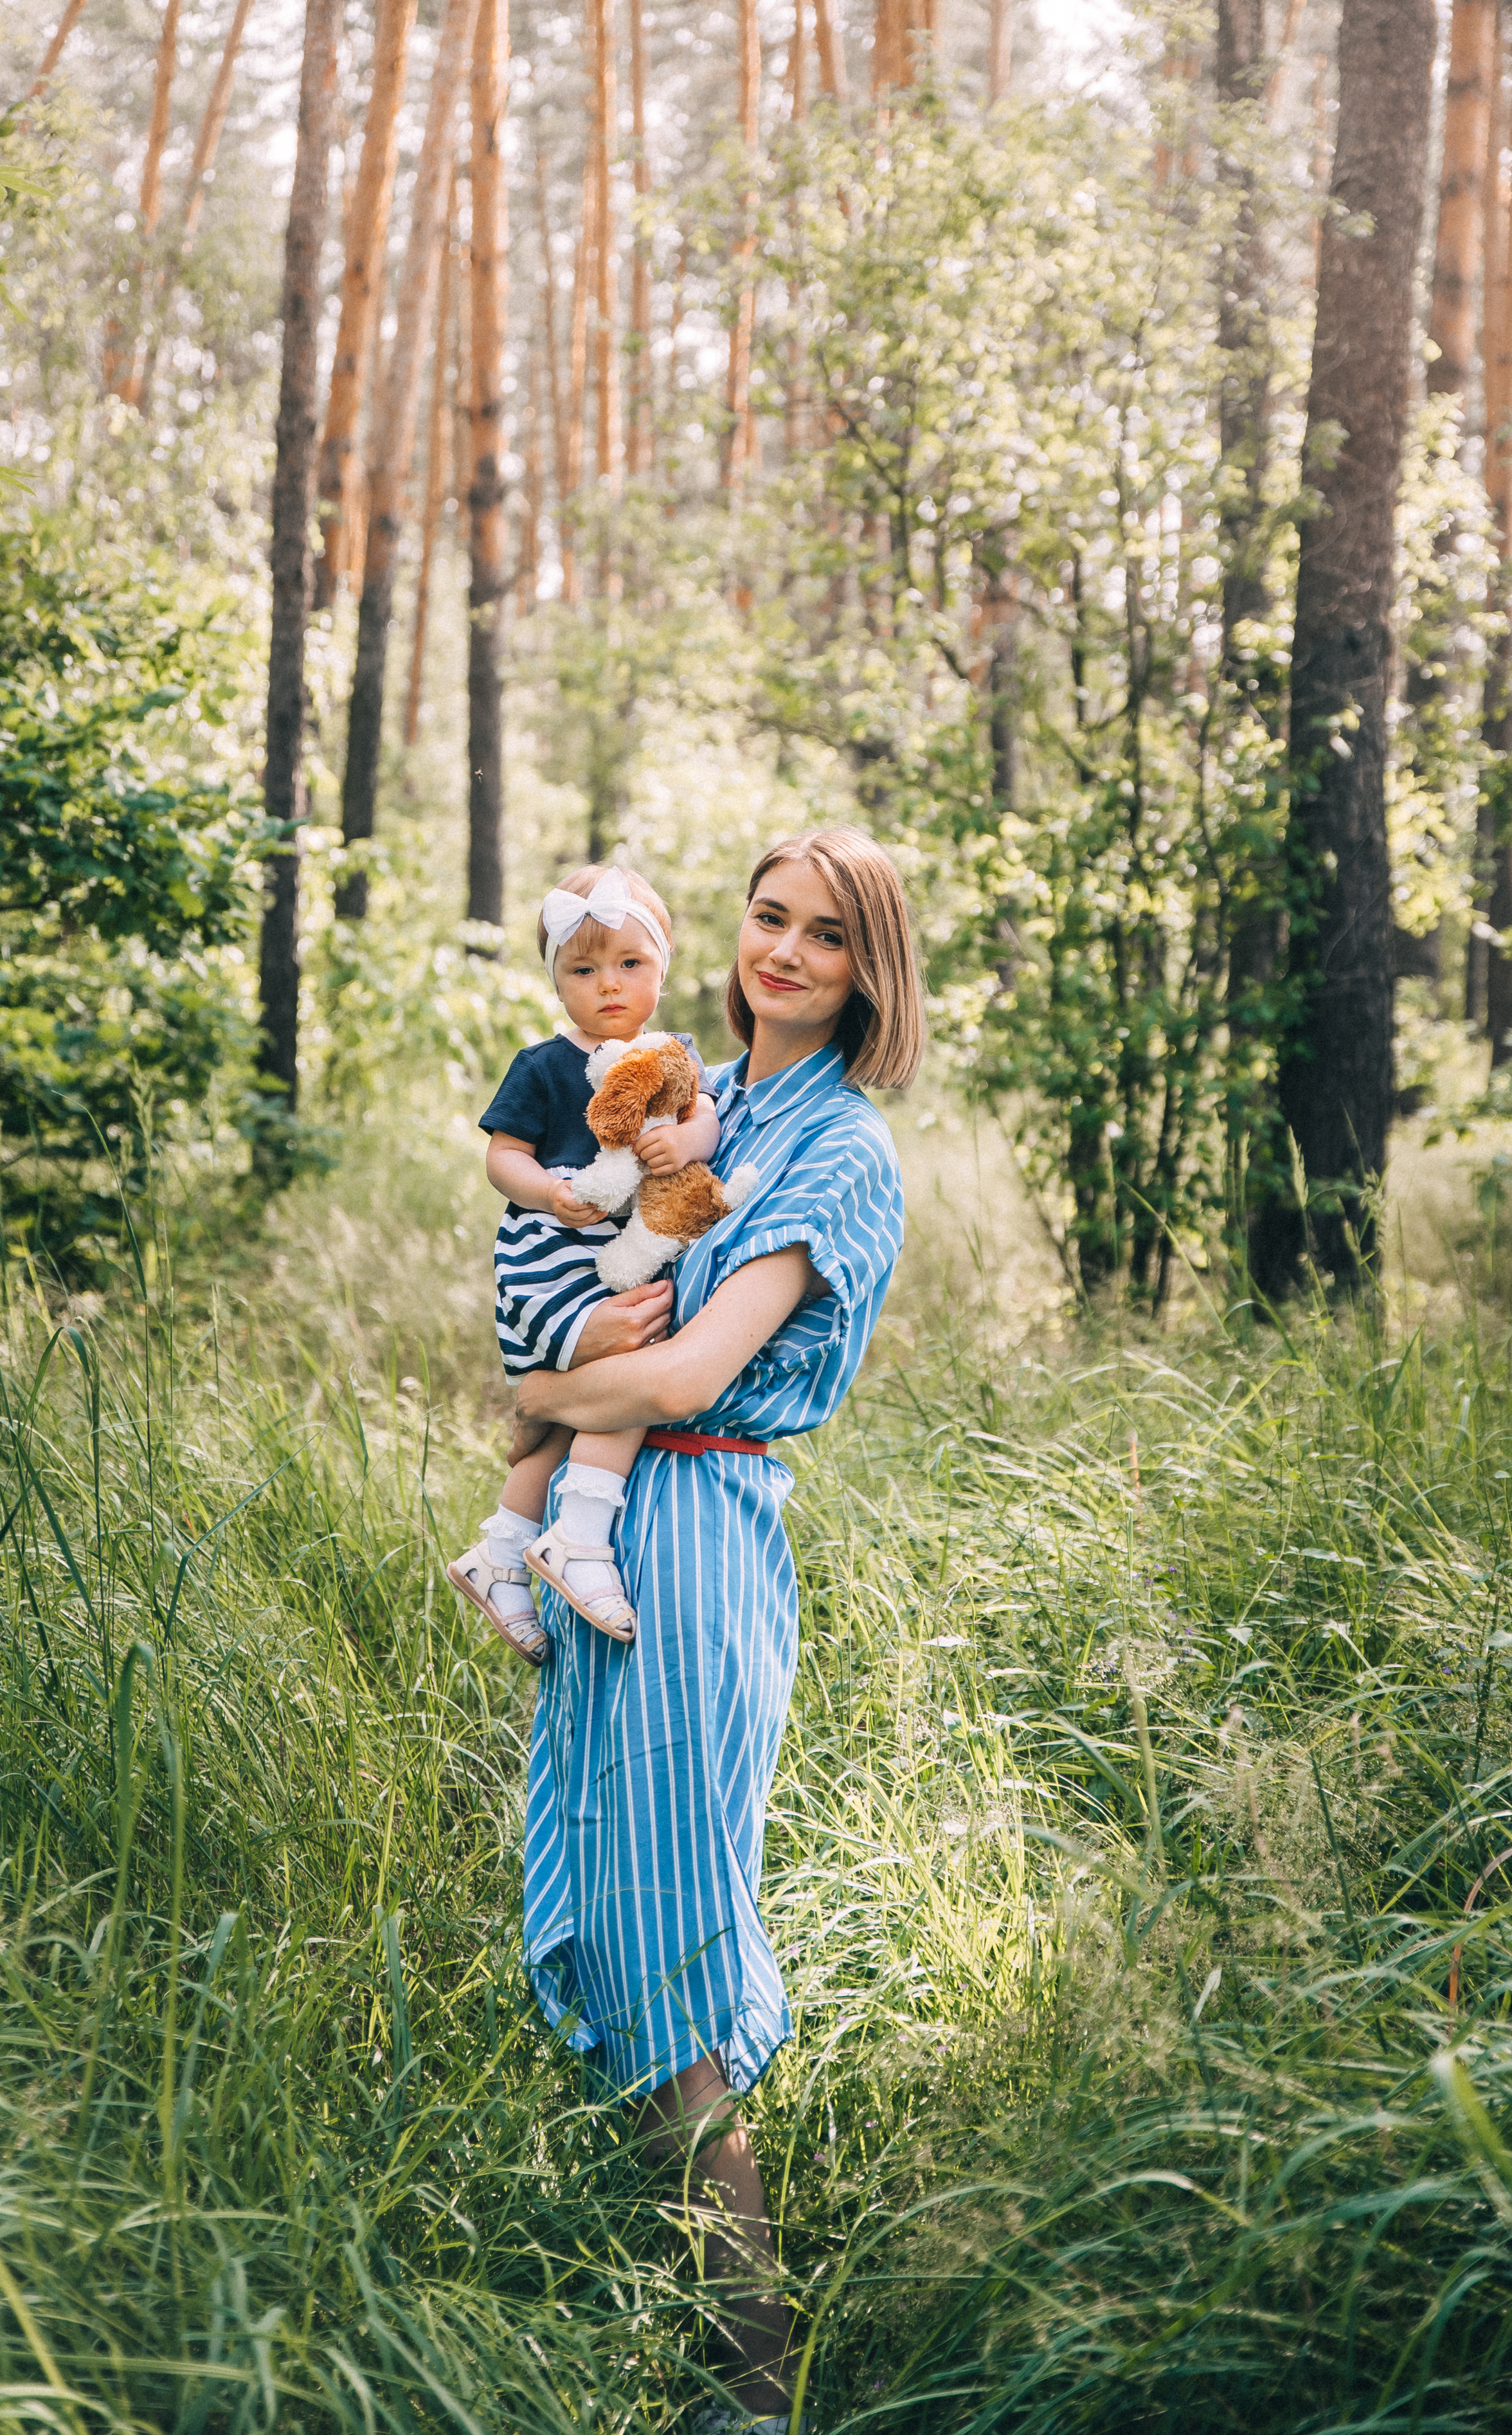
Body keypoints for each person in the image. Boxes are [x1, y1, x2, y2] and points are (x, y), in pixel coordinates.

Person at [510, 828, 925, 2431]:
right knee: (624, 1935)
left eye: (825, 935)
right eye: (767, 917)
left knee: (675, 1959)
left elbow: (682, 1379)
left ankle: (751, 2384)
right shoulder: (708, 1100)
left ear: (864, 968)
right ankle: (688, 2327)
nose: (784, 952)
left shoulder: (837, 1150)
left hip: (694, 1535)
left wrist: (536, 1395)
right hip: (617, 1528)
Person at [447, 864, 723, 1664]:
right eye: (583, 968)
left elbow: (701, 1112)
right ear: (556, 980)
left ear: (662, 971)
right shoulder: (542, 1064)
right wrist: (545, 1191)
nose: (608, 985)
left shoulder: (672, 1054)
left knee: (571, 1415)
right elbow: (503, 1156)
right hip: (551, 1251)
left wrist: (689, 1141)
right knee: (635, 1363)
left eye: (629, 964)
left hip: (619, 1249)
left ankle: (501, 1553)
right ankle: (583, 1534)